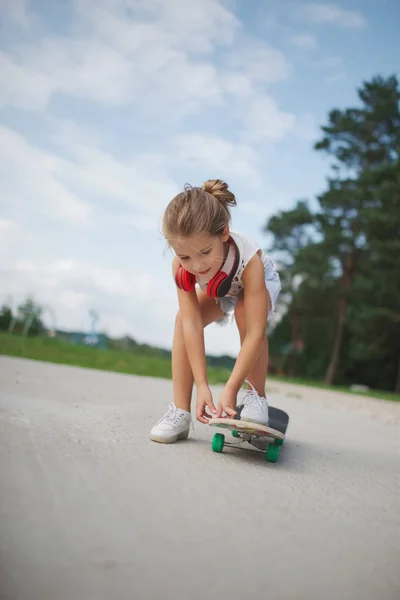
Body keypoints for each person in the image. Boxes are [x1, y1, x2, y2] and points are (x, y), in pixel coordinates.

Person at [150, 179, 281, 443]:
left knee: (246, 315)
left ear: (224, 233)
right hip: (219, 288)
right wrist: (203, 386)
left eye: (205, 252)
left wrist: (230, 389)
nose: (197, 266)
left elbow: (256, 333)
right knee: (181, 320)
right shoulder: (181, 266)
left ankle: (256, 396)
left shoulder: (250, 259)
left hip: (251, 282)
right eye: (185, 257)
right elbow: (191, 324)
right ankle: (180, 411)